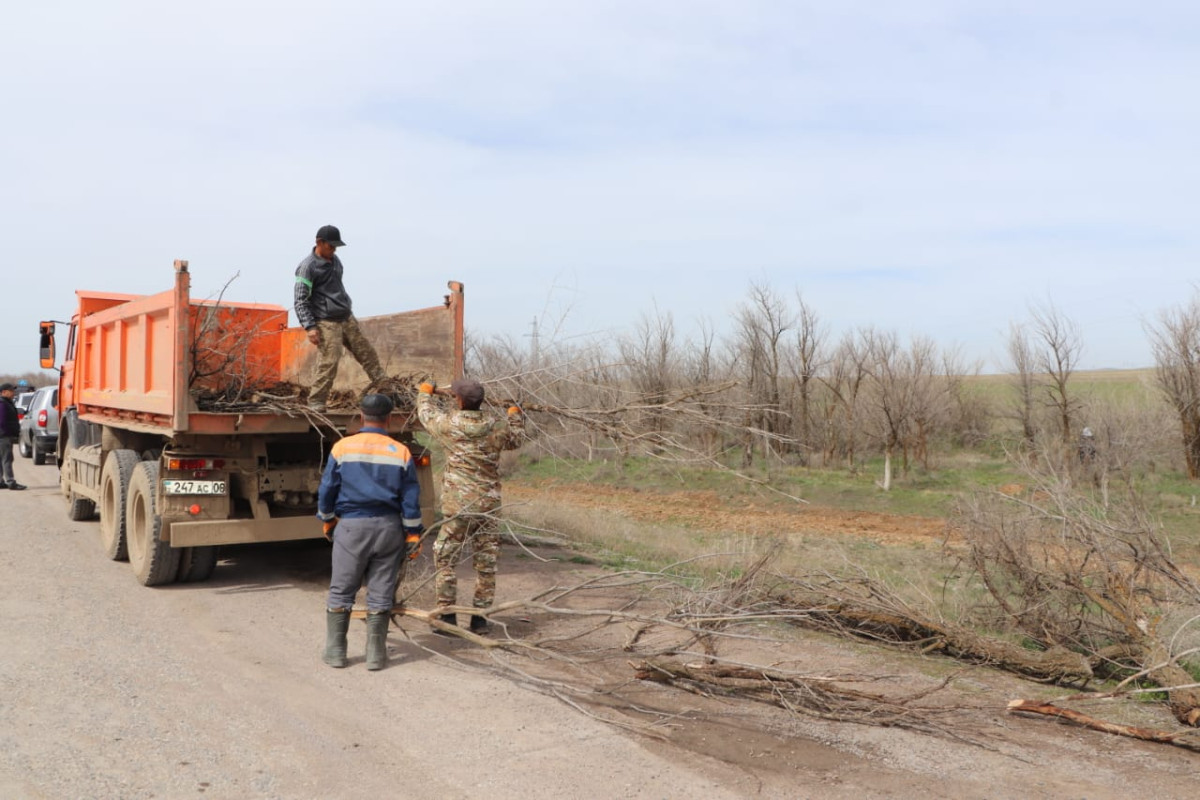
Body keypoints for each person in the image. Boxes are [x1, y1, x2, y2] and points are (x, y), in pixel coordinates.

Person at [316, 393, 424, 670]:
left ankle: (336, 652)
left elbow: (328, 488)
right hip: (389, 528)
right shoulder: (400, 451)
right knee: (380, 592)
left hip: (352, 528)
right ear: (388, 419)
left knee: (342, 590)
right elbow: (411, 497)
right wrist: (413, 533)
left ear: (361, 416)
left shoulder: (342, 448)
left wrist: (328, 520)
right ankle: (376, 656)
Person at [416, 378, 524, 634]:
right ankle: (479, 618)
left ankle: (446, 616)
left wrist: (425, 392)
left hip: (458, 506)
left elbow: (426, 413)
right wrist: (514, 414)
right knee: (486, 563)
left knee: (445, 558)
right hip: (488, 506)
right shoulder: (496, 429)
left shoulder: (448, 425)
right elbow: (517, 438)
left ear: (459, 401)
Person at [294, 224, 387, 412]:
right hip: (325, 321)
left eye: (336, 247)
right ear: (319, 242)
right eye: (331, 246)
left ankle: (388, 388)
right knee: (330, 360)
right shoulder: (307, 267)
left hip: (345, 317)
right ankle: (316, 402)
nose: (334, 250)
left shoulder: (336, 262)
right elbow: (300, 300)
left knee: (366, 353)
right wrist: (310, 327)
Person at [0, 384, 26, 490]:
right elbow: (2, 421)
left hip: (4, 435)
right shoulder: (2, 404)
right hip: (4, 436)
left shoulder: (7, 402)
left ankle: (1, 482)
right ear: (4, 392)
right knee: (7, 459)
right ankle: (11, 482)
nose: (13, 393)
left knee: (2, 459)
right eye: (10, 391)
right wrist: (6, 433)